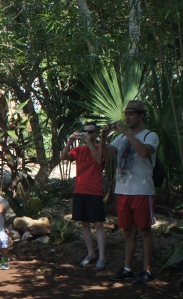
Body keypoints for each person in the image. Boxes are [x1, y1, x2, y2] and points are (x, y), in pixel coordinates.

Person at [102, 100, 159, 285]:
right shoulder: (120, 139)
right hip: (123, 190)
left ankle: (147, 270)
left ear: (141, 116)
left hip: (142, 190)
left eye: (132, 114)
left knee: (144, 230)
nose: (127, 117)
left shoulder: (150, 135)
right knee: (128, 231)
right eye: (126, 114)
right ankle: (127, 269)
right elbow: (104, 154)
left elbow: (143, 152)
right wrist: (103, 136)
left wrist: (126, 132)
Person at [60, 122, 107, 270]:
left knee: (98, 224)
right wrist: (69, 142)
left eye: (91, 132)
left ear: (96, 134)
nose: (88, 134)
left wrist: (90, 143)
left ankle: (102, 257)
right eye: (85, 132)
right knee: (84, 223)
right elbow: (63, 157)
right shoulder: (79, 150)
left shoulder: (101, 148)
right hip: (80, 190)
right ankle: (91, 253)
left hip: (95, 190)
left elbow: (99, 161)